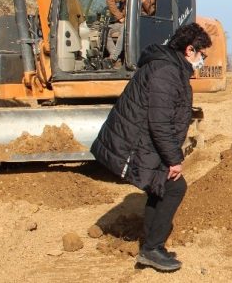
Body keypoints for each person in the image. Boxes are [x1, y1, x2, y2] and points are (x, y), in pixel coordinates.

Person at [90, 22, 210, 272]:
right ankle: (152, 249)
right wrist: (174, 159)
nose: (203, 60)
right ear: (190, 50)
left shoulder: (169, 67)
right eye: (202, 54)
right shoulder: (166, 72)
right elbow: (159, 122)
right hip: (137, 144)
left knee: (161, 186)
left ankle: (153, 245)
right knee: (175, 187)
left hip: (143, 141)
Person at [104, 0, 156, 65]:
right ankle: (115, 58)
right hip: (124, 21)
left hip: (141, 24)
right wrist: (119, 16)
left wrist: (145, 1)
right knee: (105, 30)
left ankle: (113, 58)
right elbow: (110, 0)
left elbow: (152, 12)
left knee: (125, 29)